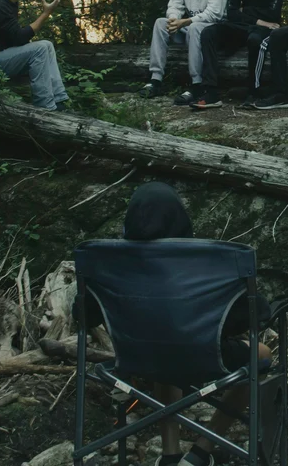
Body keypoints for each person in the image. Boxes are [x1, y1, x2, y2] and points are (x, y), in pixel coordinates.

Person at [114, 182, 272, 466]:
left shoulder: (110, 260)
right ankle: (201, 451)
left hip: (136, 357)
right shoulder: (204, 260)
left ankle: (170, 454)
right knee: (261, 355)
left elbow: (85, 314)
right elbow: (252, 315)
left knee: (161, 349)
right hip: (202, 355)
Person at [190, 0, 285, 110]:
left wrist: (246, 11)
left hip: (264, 28)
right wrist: (257, 19)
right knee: (208, 32)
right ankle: (211, 92)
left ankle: (254, 91)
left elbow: (272, 14)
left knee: (255, 40)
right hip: (245, 25)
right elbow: (232, 12)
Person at [138, 0, 231, 106]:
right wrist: (174, 20)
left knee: (195, 28)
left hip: (213, 29)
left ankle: (196, 84)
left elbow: (215, 13)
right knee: (160, 23)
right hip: (191, 25)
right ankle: (155, 79)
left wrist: (186, 21)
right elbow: (175, 4)